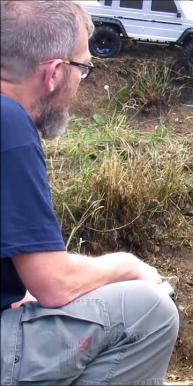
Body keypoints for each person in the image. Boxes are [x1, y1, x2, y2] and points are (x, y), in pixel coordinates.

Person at [1, 1, 180, 384]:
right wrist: (129, 266)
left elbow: (31, 278)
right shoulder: (9, 125)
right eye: (83, 67)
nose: (82, 80)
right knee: (151, 312)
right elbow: (54, 283)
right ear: (53, 72)